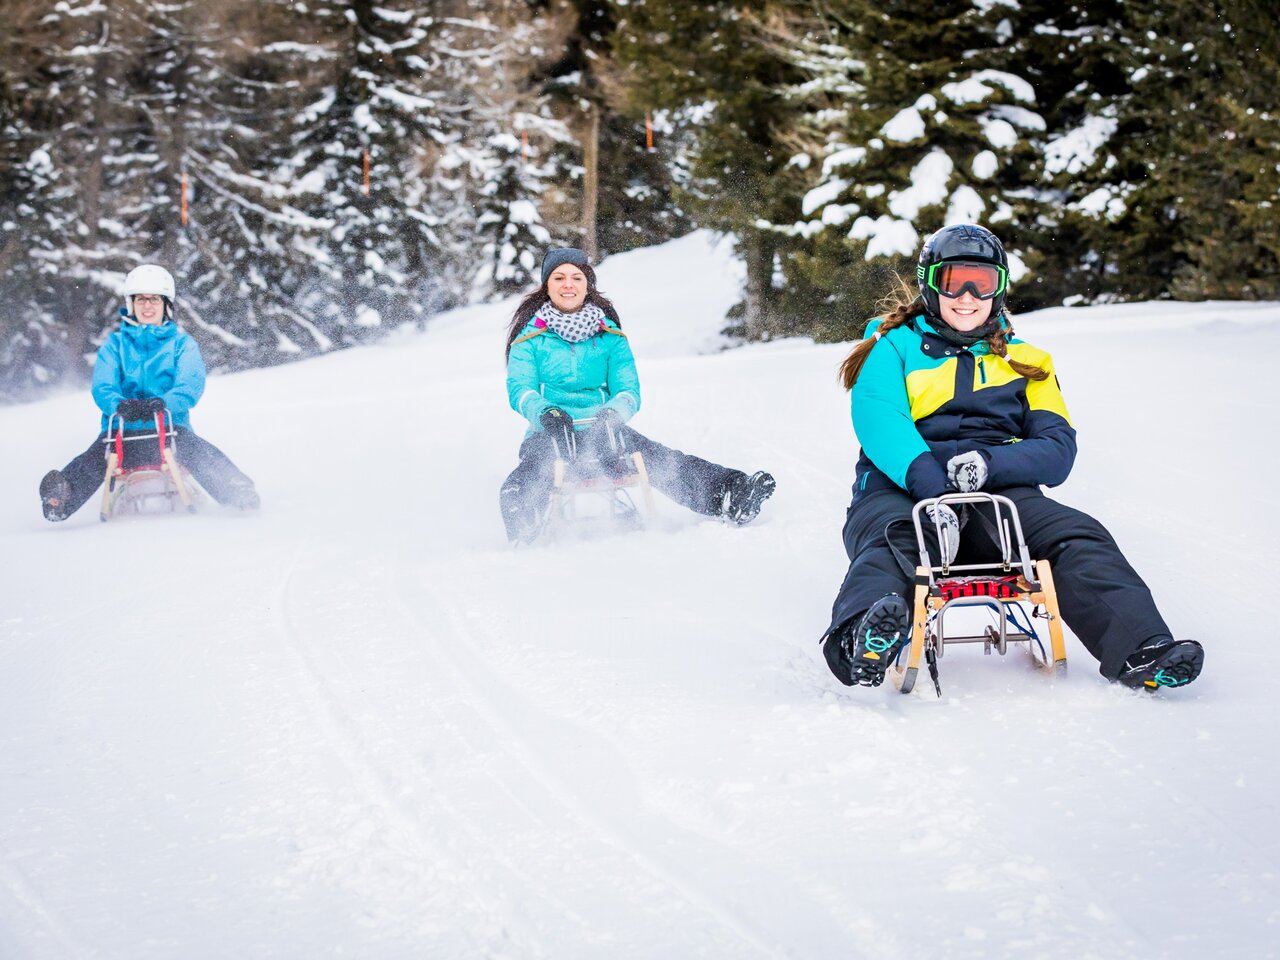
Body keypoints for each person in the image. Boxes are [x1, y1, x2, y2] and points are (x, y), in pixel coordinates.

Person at [820, 224, 1203, 691]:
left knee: (1078, 535)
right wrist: (931, 487)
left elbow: (1058, 448)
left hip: (1000, 496)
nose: (967, 296)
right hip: (901, 490)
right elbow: (881, 422)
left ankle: (1143, 648)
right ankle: (862, 635)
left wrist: (989, 465)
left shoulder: (1028, 362)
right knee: (896, 542)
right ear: (930, 283)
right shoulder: (892, 349)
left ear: (999, 288)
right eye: (953, 280)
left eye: (981, 283)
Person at [500, 247, 775, 542]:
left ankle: (729, 493)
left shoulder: (609, 336)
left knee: (657, 458)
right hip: (551, 433)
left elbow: (628, 389)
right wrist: (546, 413)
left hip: (603, 432)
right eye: (559, 278)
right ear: (547, 286)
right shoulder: (530, 338)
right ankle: (521, 519)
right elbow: (521, 388)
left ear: (587, 284)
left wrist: (613, 415)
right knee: (537, 467)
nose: (568, 285)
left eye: (576, 277)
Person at [39, 264, 259, 520]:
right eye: (140, 299)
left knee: (195, 449)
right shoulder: (114, 345)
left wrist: (162, 404)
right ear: (131, 304)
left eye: (154, 299)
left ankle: (235, 489)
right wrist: (119, 405)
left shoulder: (181, 344)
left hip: (169, 430)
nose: (147, 306)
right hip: (121, 432)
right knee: (97, 456)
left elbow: (190, 384)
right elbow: (103, 386)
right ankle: (61, 497)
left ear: (166, 304)